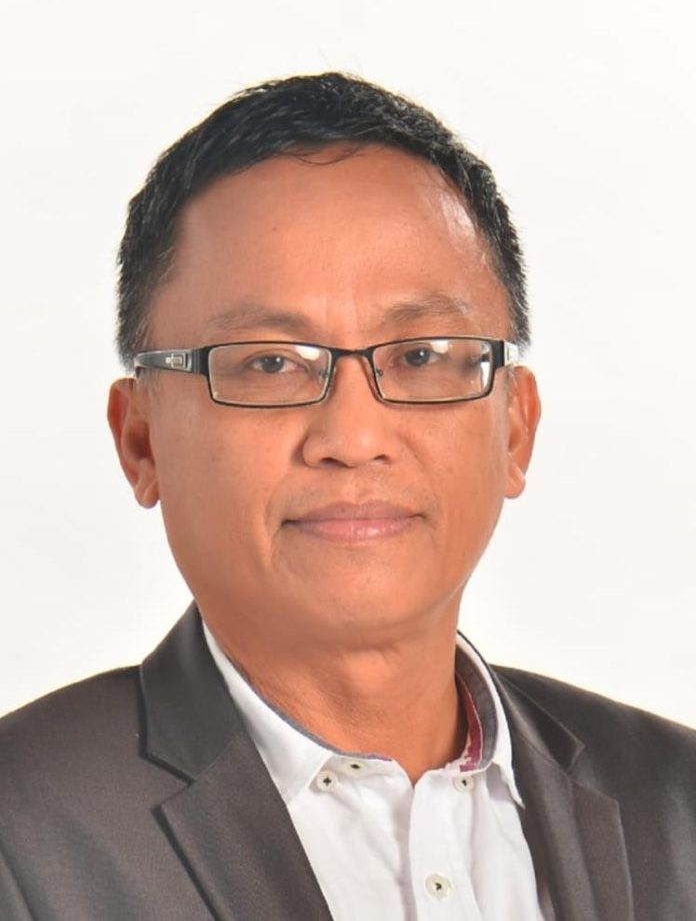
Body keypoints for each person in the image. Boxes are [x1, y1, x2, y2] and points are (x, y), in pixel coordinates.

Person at [0, 72, 694, 921]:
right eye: (269, 364)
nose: (354, 436)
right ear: (140, 441)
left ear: (515, 428)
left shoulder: (676, 802)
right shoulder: (23, 829)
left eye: (421, 355)